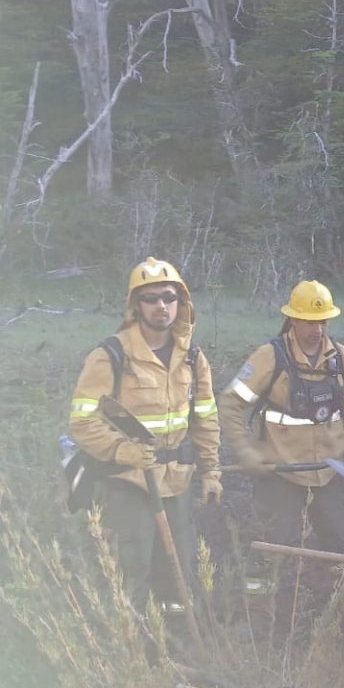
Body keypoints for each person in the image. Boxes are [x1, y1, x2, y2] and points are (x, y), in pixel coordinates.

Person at [67, 258, 220, 614]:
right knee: (129, 573)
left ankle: (176, 648)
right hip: (127, 483)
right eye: (151, 298)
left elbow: (207, 419)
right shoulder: (111, 356)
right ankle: (130, 653)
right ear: (137, 305)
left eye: (169, 297)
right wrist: (123, 451)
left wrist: (212, 471)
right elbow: (83, 421)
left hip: (176, 482)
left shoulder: (193, 357)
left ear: (181, 302)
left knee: (180, 574)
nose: (161, 306)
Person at [218, 280, 344, 635]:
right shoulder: (271, 356)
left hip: (328, 471)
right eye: (308, 322)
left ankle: (334, 612)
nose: (316, 330)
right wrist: (247, 450)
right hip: (280, 472)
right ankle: (259, 620)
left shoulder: (341, 359)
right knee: (274, 548)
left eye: (323, 322)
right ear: (292, 320)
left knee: (339, 543)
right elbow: (231, 403)